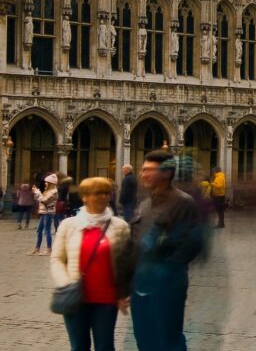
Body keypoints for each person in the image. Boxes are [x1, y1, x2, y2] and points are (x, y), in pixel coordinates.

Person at [129, 149, 206, 351]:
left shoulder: (183, 203)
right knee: (144, 338)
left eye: (149, 170)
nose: (143, 174)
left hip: (167, 286)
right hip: (140, 285)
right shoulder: (144, 204)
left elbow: (193, 244)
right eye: (143, 170)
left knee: (168, 340)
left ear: (167, 173)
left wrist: (164, 271)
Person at [51, 176, 134, 351]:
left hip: (106, 300)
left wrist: (124, 293)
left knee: (105, 347)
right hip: (75, 298)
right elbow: (57, 259)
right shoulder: (68, 225)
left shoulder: (120, 226)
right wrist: (65, 282)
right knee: (79, 346)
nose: (103, 197)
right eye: (98, 193)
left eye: (107, 193)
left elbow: (126, 264)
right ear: (85, 197)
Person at [32, 173, 59, 255]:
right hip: (44, 212)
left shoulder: (53, 192)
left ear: (51, 183)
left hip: (48, 213)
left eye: (47, 182)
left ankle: (49, 249)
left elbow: (44, 201)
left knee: (47, 230)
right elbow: (41, 200)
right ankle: (37, 248)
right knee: (39, 230)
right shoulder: (48, 191)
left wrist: (37, 192)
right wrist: (37, 193)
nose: (45, 183)